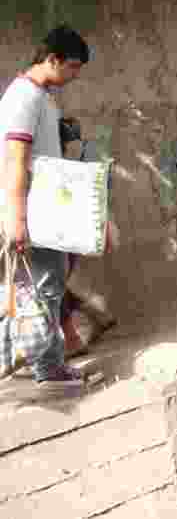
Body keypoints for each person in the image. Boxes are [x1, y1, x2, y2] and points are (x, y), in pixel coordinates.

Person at [0, 25, 92, 387]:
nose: (75, 75)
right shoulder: (25, 97)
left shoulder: (40, 96)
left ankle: (47, 365)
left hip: (44, 209)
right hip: (32, 211)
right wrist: (16, 217)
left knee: (47, 285)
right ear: (52, 59)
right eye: (72, 66)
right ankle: (49, 371)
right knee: (44, 288)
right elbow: (16, 160)